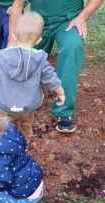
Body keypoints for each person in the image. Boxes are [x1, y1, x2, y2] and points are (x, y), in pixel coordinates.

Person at [8, 0, 104, 133]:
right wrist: (12, 40)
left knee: (73, 46)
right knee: (24, 56)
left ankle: (64, 110)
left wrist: (82, 17)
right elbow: (18, 6)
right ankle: (20, 103)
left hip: (68, 21)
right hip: (37, 22)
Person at [0, 12, 66, 142]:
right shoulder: (40, 60)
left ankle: (4, 145)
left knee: (1, 130)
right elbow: (51, 79)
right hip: (27, 108)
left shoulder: (2, 56)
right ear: (39, 40)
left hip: (4, 107)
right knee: (26, 128)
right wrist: (61, 93)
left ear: (14, 36)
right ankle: (24, 143)